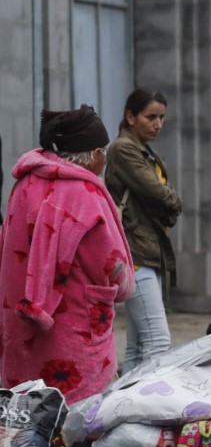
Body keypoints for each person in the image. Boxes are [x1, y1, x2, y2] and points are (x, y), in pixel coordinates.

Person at [0, 106, 135, 403]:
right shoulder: (85, 195)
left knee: (30, 417)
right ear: (92, 153)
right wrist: (125, 285)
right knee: (77, 421)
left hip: (23, 330)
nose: (104, 159)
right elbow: (112, 265)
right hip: (76, 329)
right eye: (103, 151)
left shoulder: (23, 185)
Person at [105, 89, 183, 373]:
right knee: (158, 341)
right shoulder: (124, 149)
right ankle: (146, 410)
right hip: (135, 253)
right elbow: (159, 194)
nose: (158, 124)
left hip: (148, 251)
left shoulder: (145, 151)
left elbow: (161, 196)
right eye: (151, 117)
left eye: (162, 117)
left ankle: (122, 409)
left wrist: (168, 200)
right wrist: (173, 200)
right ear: (130, 116)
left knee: (138, 347)